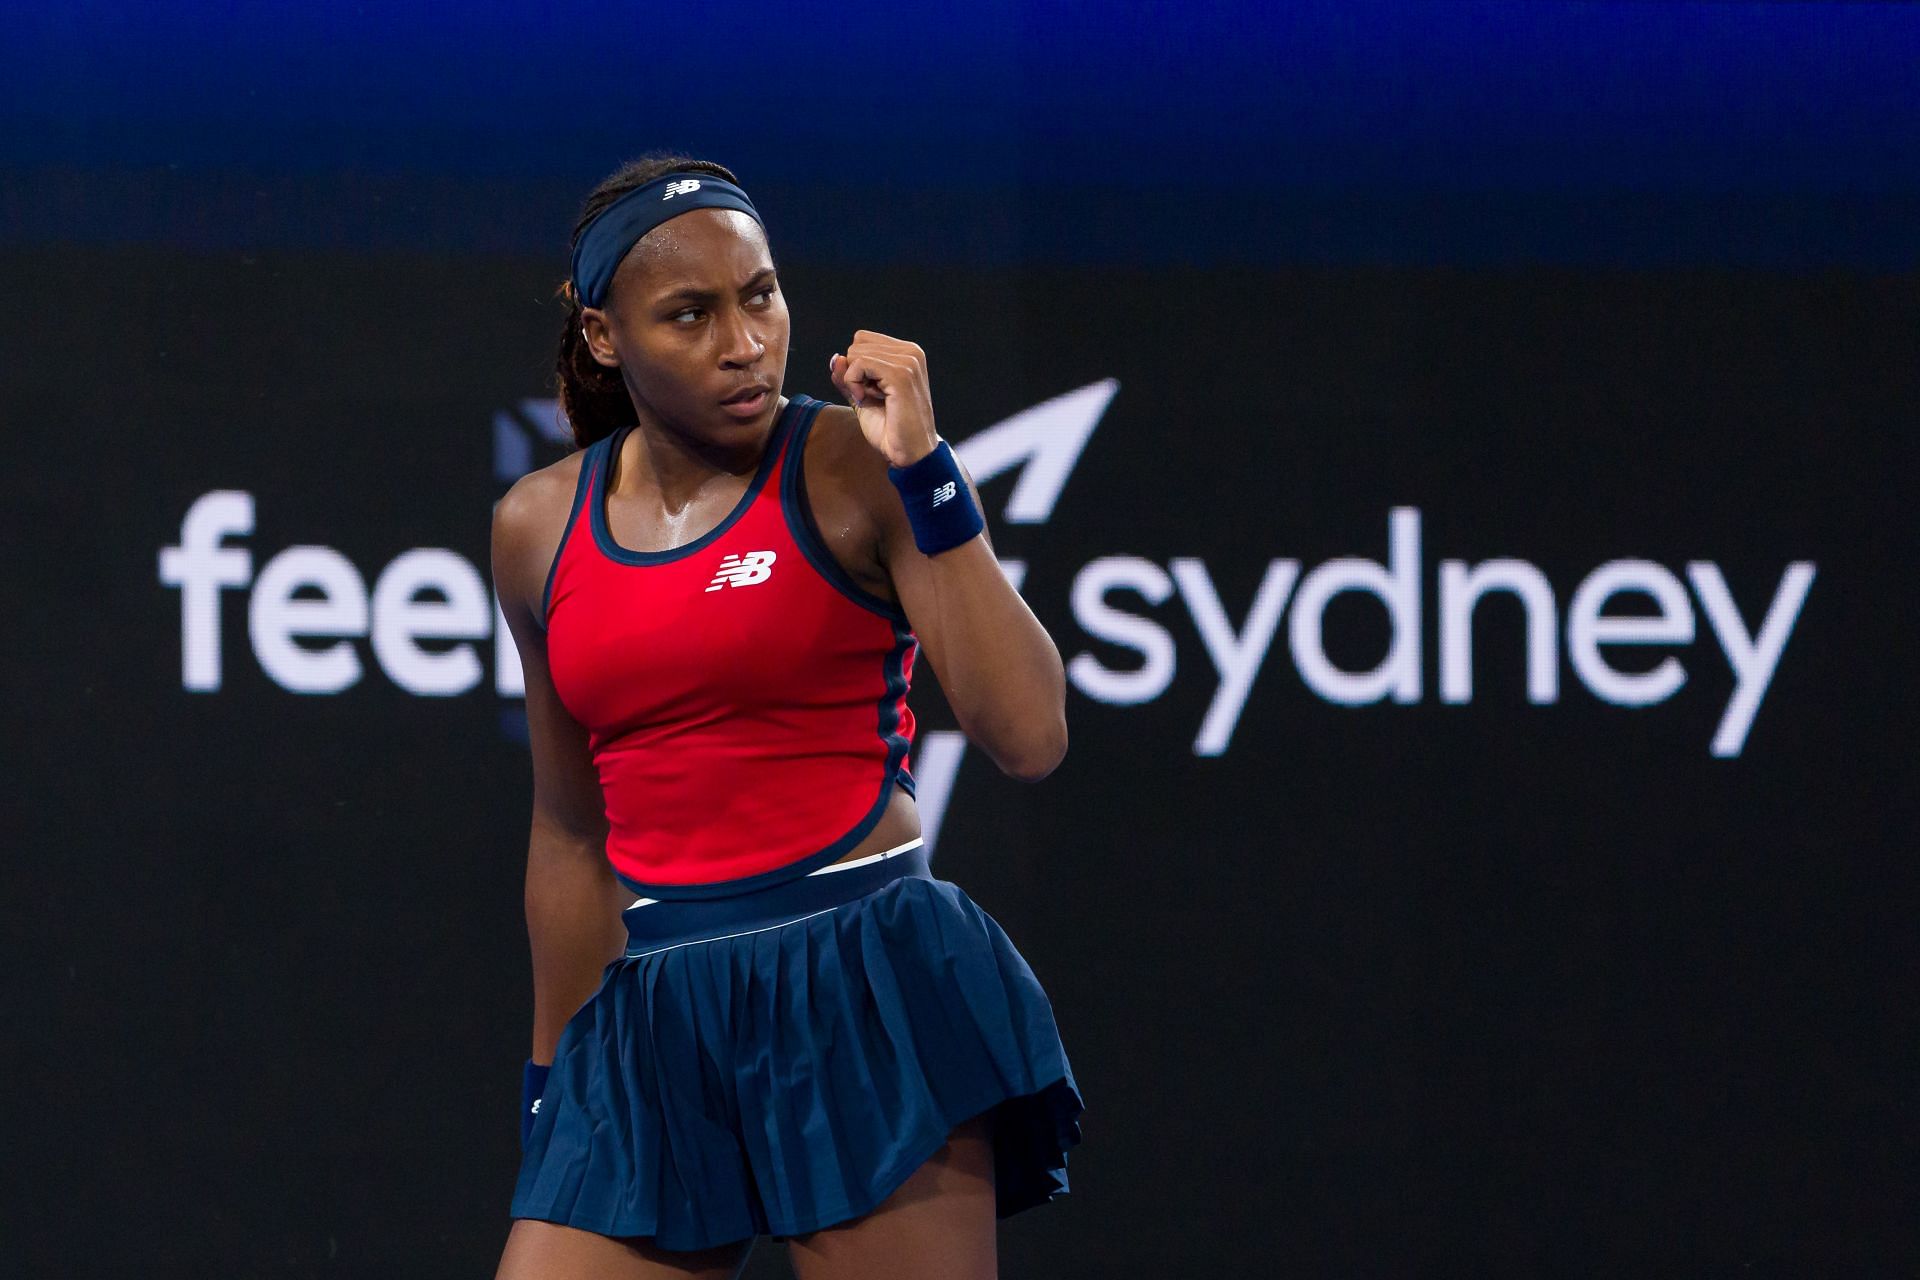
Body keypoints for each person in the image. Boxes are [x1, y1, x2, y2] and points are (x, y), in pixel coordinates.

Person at [489, 152, 1085, 1280]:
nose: (744, 340)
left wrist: (927, 471)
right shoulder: (534, 526)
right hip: (652, 1012)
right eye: (690, 313)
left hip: (859, 988)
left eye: (759, 293)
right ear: (606, 337)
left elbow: (1028, 732)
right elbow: (570, 836)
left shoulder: (856, 465)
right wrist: (550, 1081)